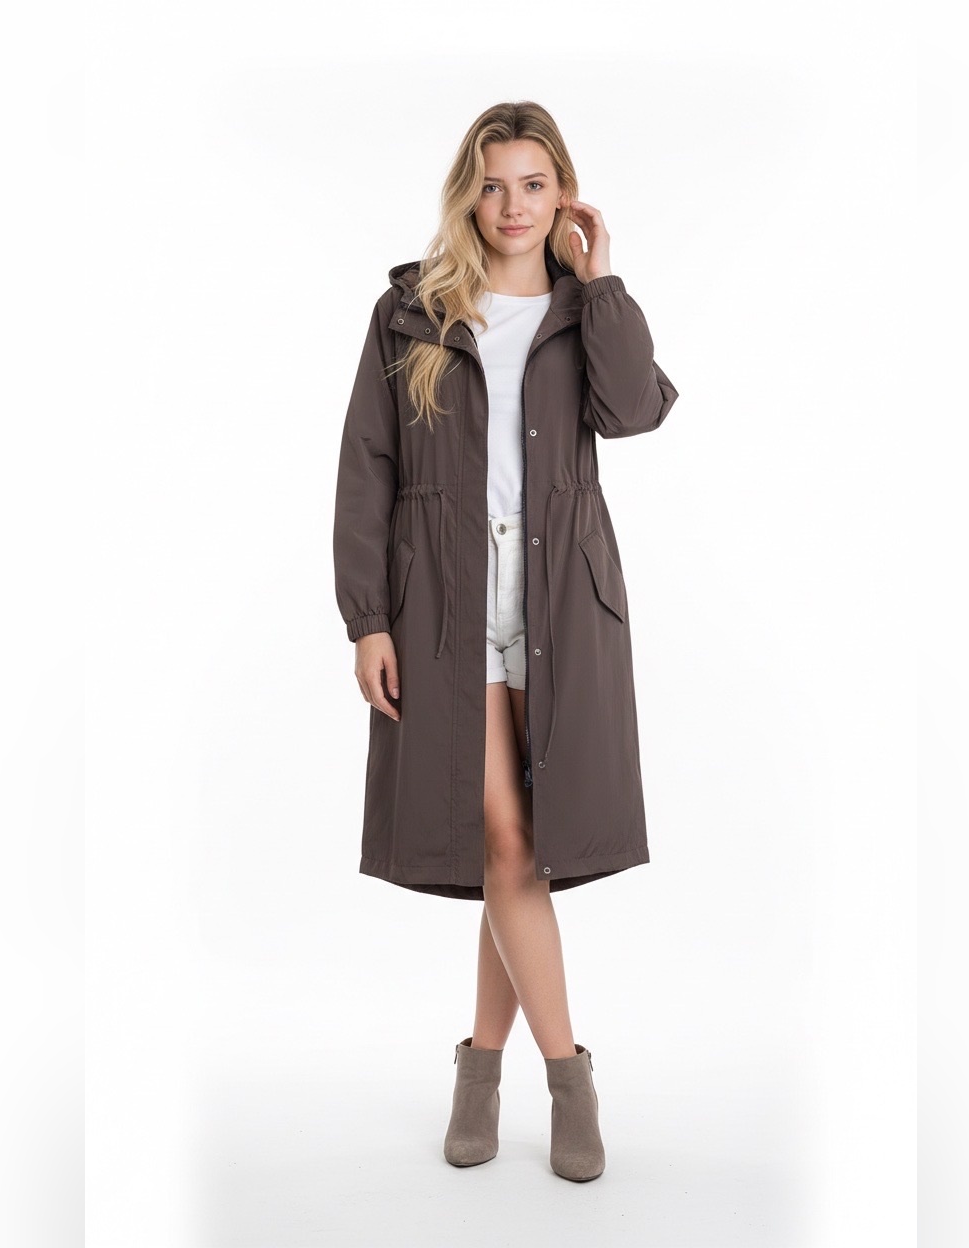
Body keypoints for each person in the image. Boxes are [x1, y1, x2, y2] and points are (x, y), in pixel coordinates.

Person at [332, 100, 678, 1182]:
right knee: (505, 841)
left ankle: (479, 1069)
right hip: (443, 604)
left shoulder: (583, 312)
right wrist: (367, 618)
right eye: (493, 185)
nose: (513, 206)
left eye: (534, 184)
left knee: (515, 849)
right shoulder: (410, 314)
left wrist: (603, 279)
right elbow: (367, 468)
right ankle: (569, 1077)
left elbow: (635, 411)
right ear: (467, 195)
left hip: (560, 601)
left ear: (563, 193)